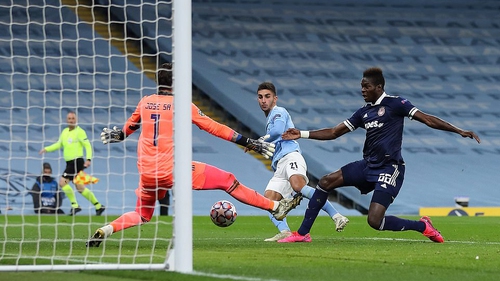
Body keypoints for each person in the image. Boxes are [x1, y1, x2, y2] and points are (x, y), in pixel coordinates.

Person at [86, 63, 302, 247]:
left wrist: (118, 135)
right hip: (172, 170)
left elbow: (125, 132)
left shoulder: (145, 102)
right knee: (227, 180)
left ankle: (107, 229)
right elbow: (214, 128)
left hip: (146, 173)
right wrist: (248, 142)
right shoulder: (181, 105)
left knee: (142, 214)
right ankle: (276, 207)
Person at [278, 67, 481, 243]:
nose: (363, 90)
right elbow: (334, 132)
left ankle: (423, 226)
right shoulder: (363, 113)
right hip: (367, 166)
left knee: (375, 221)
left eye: (366, 86)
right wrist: (302, 134)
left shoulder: (397, 104)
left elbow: (427, 119)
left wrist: (459, 130)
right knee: (325, 181)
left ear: (379, 87)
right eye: (362, 86)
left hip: (390, 168)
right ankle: (303, 234)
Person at [253, 82, 349, 242]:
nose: (263, 100)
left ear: (275, 99)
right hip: (279, 165)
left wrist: (260, 141)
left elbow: (277, 132)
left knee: (298, 186)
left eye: (267, 97)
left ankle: (336, 215)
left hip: (291, 156)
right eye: (260, 97)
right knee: (268, 201)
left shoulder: (279, 112)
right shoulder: (269, 118)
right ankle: (285, 232)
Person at [39, 111, 106, 216]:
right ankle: (98, 206)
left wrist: (88, 159)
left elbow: (87, 145)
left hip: (77, 161)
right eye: (69, 118)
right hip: (69, 163)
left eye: (73, 118)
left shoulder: (80, 132)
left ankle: (75, 206)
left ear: (76, 120)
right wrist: (46, 149)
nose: (71, 120)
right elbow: (58, 144)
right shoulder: (65, 132)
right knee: (80, 187)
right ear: (66, 120)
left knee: (62, 182)